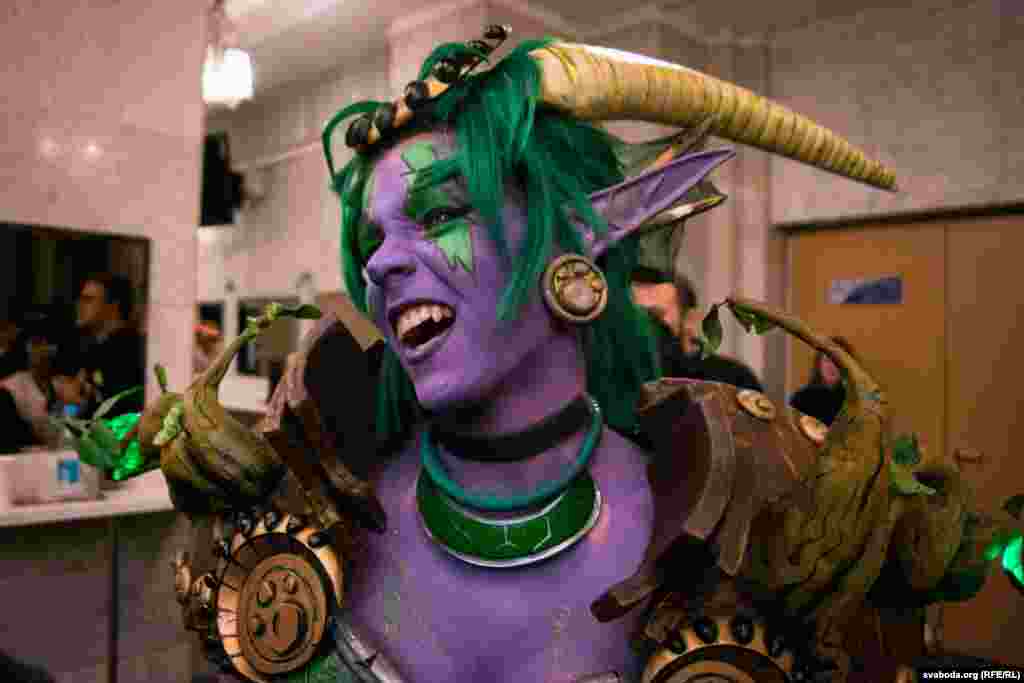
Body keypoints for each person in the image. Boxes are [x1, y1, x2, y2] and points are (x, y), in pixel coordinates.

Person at [173, 31, 928, 683]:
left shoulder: (738, 509)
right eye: (373, 239)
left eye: (439, 213)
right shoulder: (304, 510)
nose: (379, 265)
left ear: (579, 233)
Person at [631, 268, 763, 391]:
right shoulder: (626, 380)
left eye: (653, 315)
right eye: (633, 317)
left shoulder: (733, 380)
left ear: (689, 319)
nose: (642, 326)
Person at [76, 272, 145, 416]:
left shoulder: (128, 351)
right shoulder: (93, 348)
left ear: (112, 306)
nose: (80, 305)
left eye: (88, 300)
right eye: (81, 299)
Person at [789, 335, 858, 425]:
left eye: (837, 362)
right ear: (819, 363)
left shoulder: (854, 401)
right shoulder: (801, 398)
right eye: (827, 360)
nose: (832, 366)